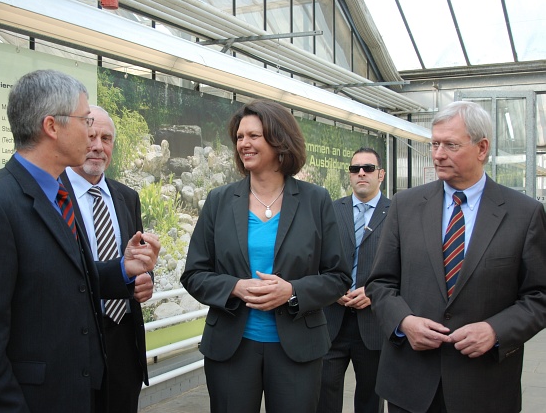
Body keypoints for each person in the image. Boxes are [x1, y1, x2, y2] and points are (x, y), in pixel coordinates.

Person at [0, 70, 160, 413]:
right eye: (84, 121)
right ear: (52, 127)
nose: (91, 137)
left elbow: (71, 281)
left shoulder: (56, 196)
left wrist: (124, 269)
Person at [365, 101, 546, 413]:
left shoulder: (524, 214)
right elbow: (380, 283)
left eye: (450, 144)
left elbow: (539, 296)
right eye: (434, 143)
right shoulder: (405, 206)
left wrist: (495, 330)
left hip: (484, 389)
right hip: (410, 385)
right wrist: (404, 322)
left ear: (482, 148)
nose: (437, 154)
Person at [181, 99, 351, 413]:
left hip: (298, 349)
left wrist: (293, 291)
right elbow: (194, 274)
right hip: (232, 348)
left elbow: (338, 276)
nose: (243, 143)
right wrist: (235, 287)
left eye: (253, 136)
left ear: (279, 140)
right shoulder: (219, 201)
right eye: (240, 137)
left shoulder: (316, 200)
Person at [61, 105, 153, 413]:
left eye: (106, 138)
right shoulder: (52, 195)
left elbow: (134, 262)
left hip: (124, 345)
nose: (98, 146)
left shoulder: (127, 197)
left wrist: (144, 280)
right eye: (90, 136)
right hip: (75, 345)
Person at [318, 147, 389, 413]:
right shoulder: (331, 211)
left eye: (368, 168)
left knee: (371, 399)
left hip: (373, 324)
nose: (361, 173)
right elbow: (314, 260)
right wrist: (331, 288)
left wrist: (373, 292)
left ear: (380, 174)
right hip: (332, 320)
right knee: (324, 395)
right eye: (355, 168)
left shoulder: (396, 213)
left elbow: (406, 267)